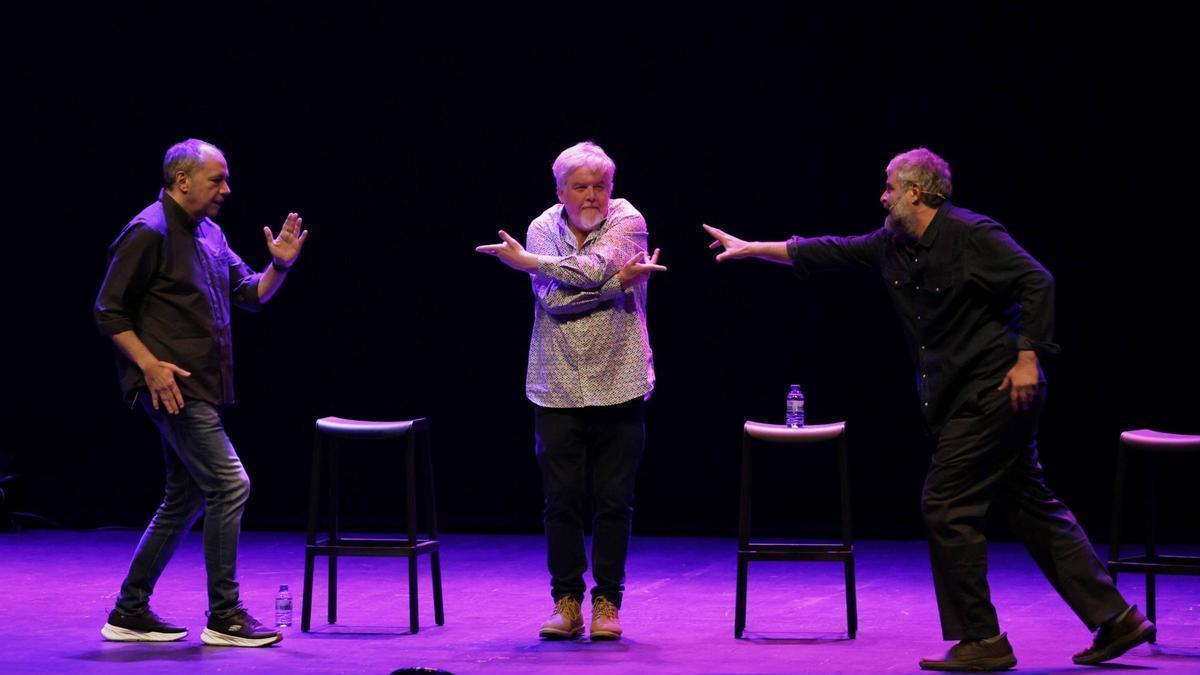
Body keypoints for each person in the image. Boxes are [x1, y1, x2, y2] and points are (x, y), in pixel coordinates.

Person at [703, 147, 1154, 670]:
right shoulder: (893, 244)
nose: (882, 196)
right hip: (958, 396)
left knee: (946, 505)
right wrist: (752, 247)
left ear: (916, 191)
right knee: (1032, 507)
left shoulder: (972, 234)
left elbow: (1038, 280)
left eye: (890, 187)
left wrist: (1029, 354)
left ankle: (982, 640)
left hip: (996, 390)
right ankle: (1117, 619)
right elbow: (826, 250)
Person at [94, 139, 308, 647]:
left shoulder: (209, 232)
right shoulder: (149, 230)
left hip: (203, 386)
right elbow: (107, 311)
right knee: (231, 484)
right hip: (171, 387)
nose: (226, 190)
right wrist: (149, 367)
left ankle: (129, 610)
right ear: (182, 180)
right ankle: (226, 615)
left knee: (184, 497)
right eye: (217, 180)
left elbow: (248, 294)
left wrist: (279, 266)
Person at [476, 141, 665, 640]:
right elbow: (554, 302)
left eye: (599, 186)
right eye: (580, 187)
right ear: (560, 190)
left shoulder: (628, 220)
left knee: (613, 500)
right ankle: (566, 603)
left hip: (619, 379)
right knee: (560, 500)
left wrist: (532, 263)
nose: (592, 196)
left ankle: (608, 603)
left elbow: (594, 266)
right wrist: (614, 284)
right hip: (555, 385)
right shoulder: (542, 228)